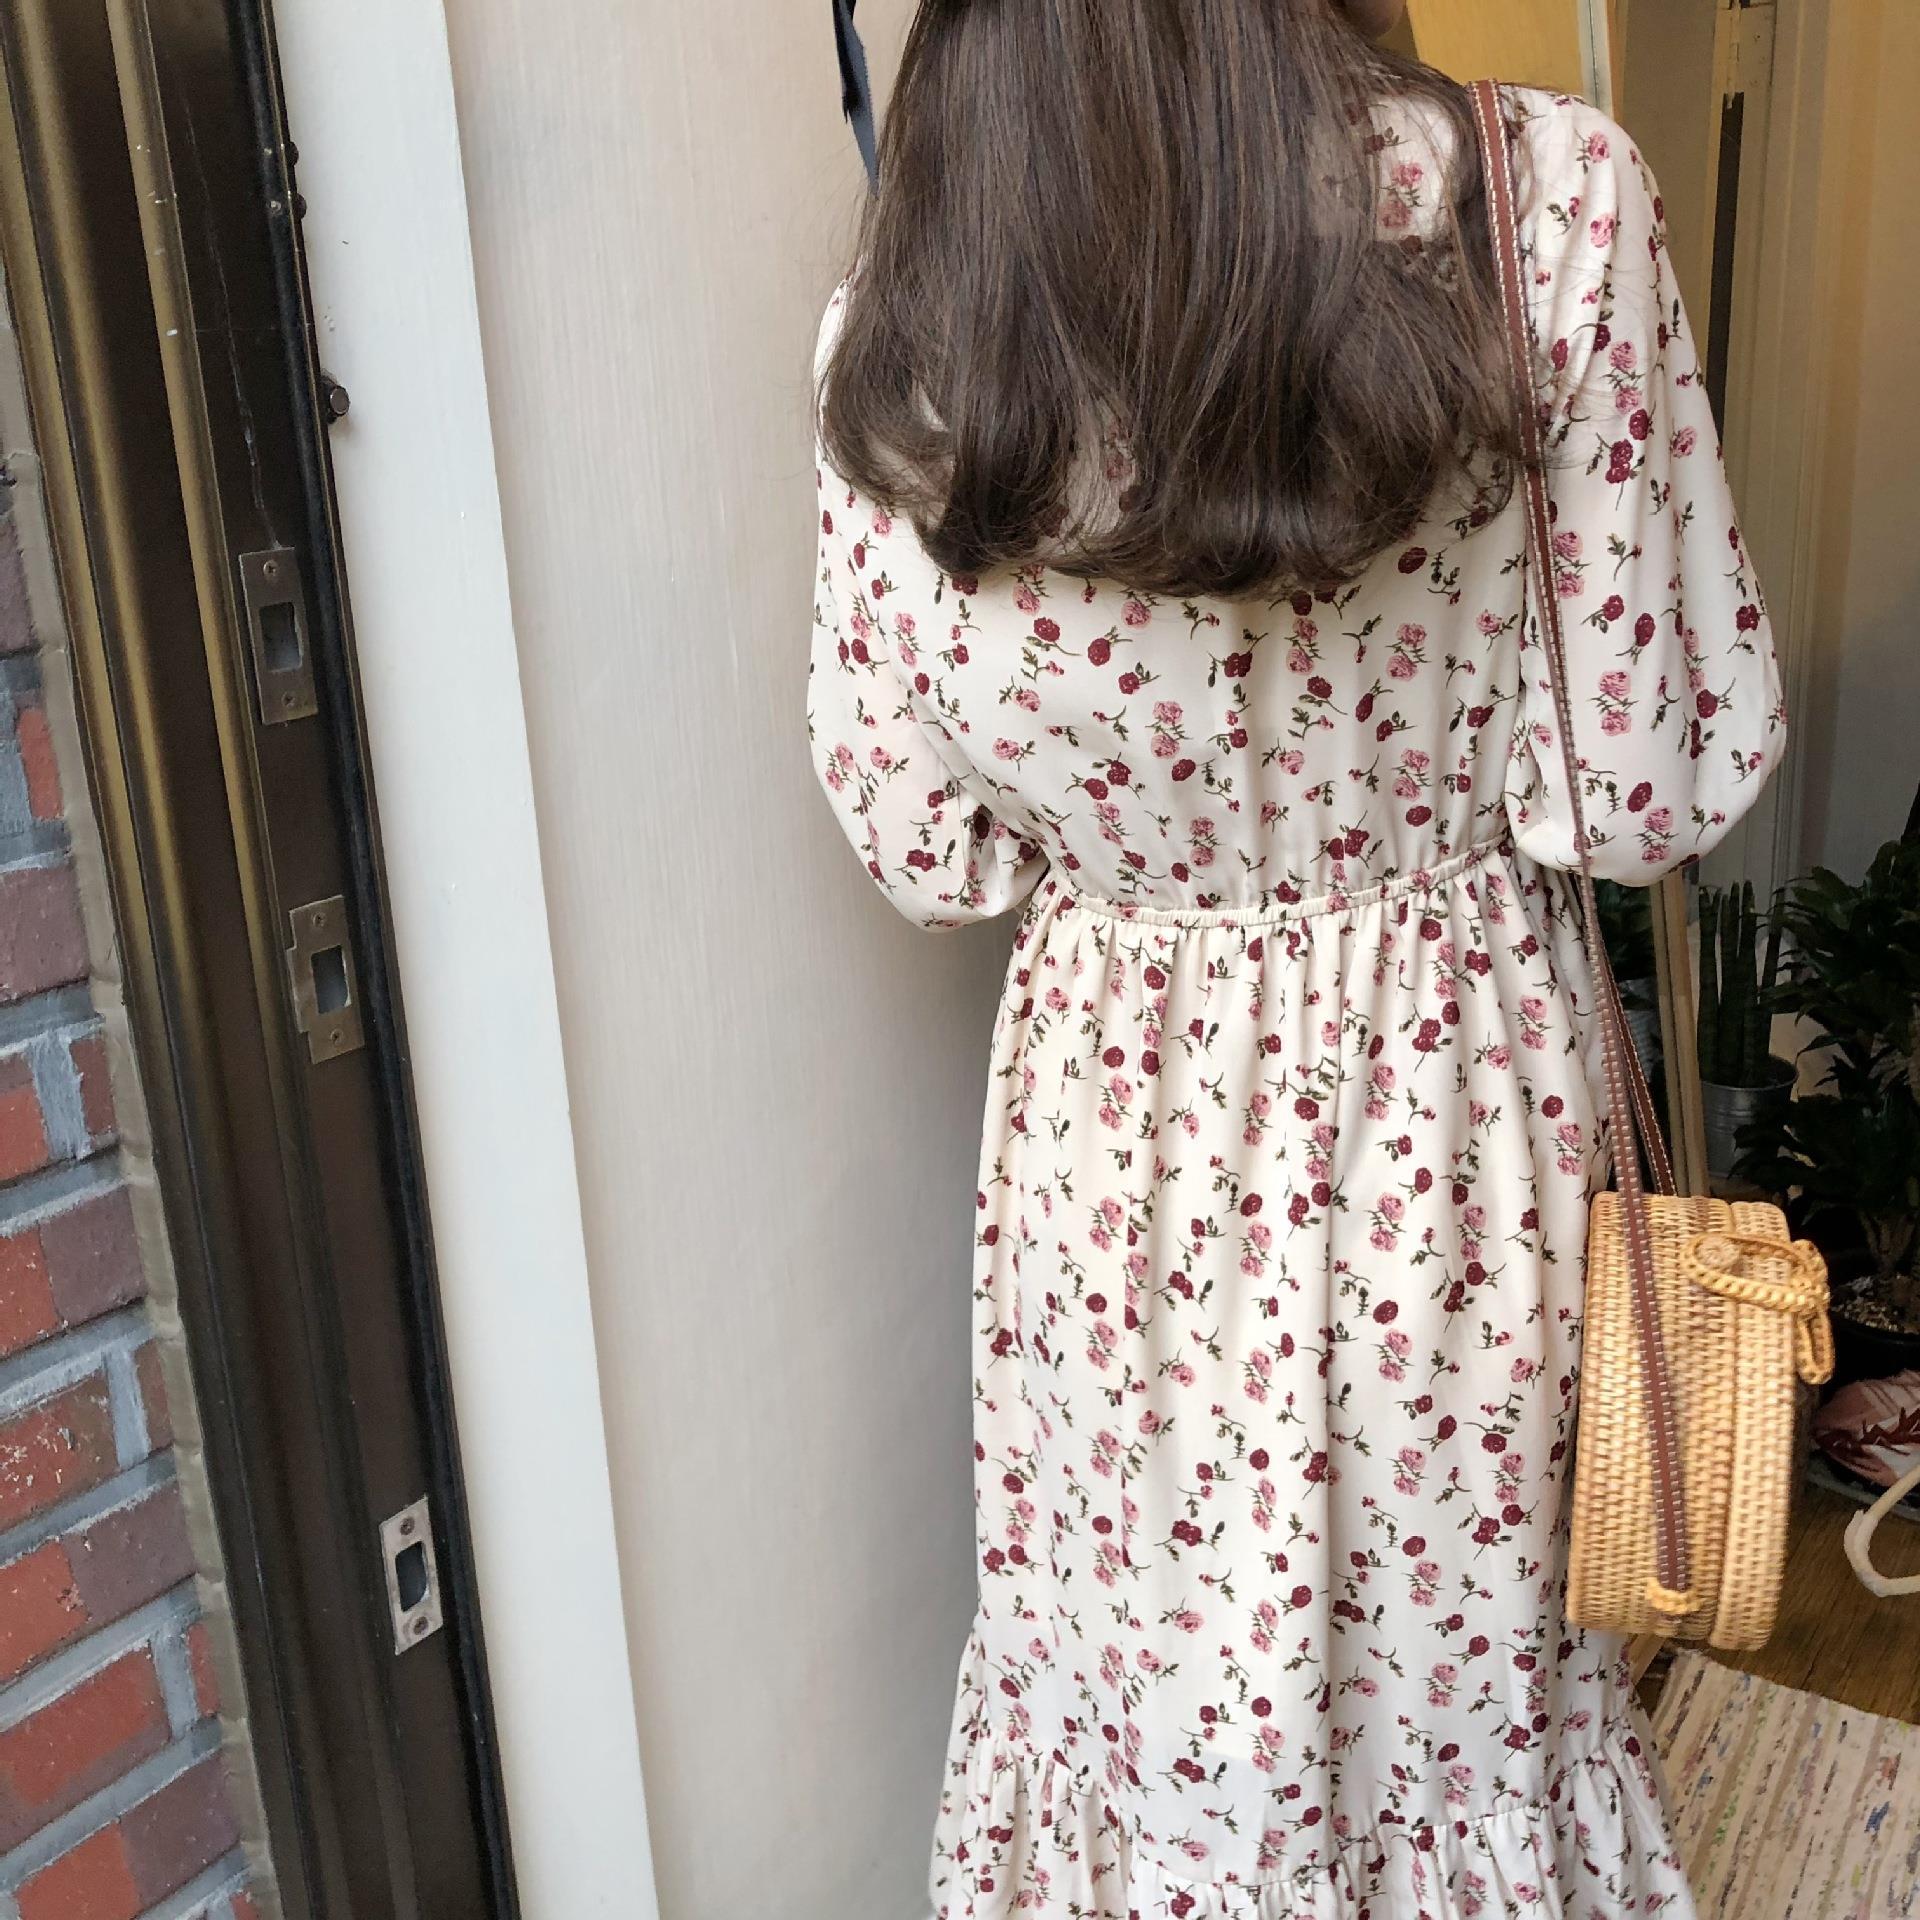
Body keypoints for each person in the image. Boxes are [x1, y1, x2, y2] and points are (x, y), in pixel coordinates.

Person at [806, 3, 1782, 1914]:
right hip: (1455, 1121)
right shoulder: (1544, 205)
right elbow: (1651, 782)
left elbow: (925, 847)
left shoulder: (907, 324)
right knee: (1464, 1707)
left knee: (1153, 1704)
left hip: (1118, 1155)